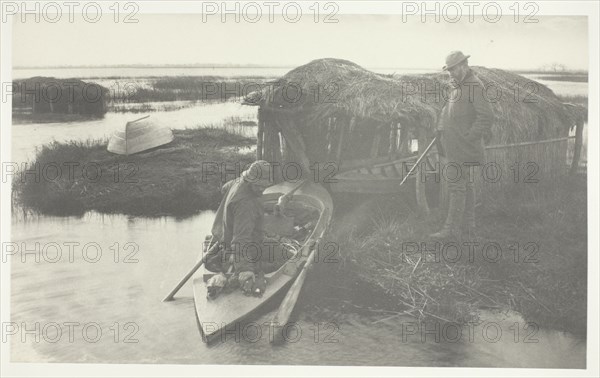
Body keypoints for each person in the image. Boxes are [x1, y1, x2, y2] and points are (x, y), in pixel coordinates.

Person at [430, 51, 493, 240]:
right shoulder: (459, 86)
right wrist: (441, 131)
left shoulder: (474, 86)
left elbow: (487, 116)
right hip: (454, 146)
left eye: (453, 69)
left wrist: (469, 137)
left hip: (462, 147)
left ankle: (451, 230)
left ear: (464, 65)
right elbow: (450, 114)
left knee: (457, 187)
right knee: (466, 185)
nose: (450, 73)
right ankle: (468, 225)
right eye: (449, 70)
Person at [208, 160, 273, 296]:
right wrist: (244, 269)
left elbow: (224, 188)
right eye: (258, 186)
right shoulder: (246, 205)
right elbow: (241, 239)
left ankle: (227, 259)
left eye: (264, 186)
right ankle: (237, 265)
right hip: (242, 246)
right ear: (250, 181)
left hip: (223, 236)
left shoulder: (238, 182)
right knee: (289, 255)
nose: (262, 189)